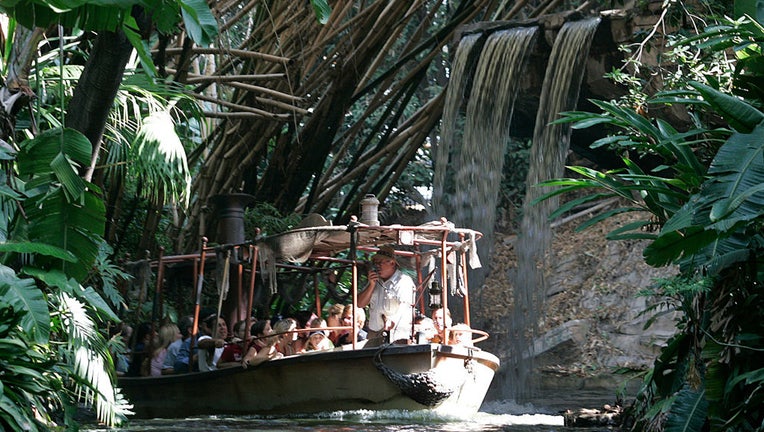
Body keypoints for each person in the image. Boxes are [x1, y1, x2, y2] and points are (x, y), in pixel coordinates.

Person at [358, 245, 415, 346]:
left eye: (380, 262)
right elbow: (360, 304)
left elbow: (406, 307)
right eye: (375, 263)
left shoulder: (403, 281)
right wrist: (371, 285)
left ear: (392, 263)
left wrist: (392, 321)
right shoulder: (375, 281)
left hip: (396, 335)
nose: (377, 266)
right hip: (373, 334)